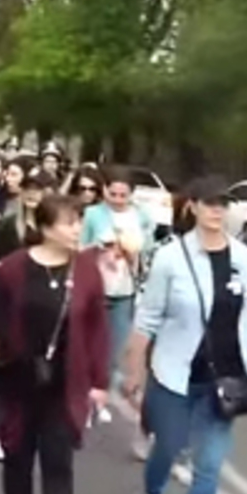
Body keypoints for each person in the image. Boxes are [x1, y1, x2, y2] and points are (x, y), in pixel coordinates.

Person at [122, 177, 247, 494]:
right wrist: (134, 371)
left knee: (210, 464)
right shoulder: (171, 258)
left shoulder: (246, 260)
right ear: (194, 208)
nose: (218, 211)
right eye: (210, 203)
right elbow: (147, 318)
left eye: (225, 204)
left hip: (225, 381)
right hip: (175, 373)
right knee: (168, 446)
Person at [0, 194, 109, 494]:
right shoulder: (13, 268)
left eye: (79, 221)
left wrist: (99, 381)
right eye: (68, 222)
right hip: (16, 378)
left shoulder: (88, 270)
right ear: (45, 228)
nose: (77, 229)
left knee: (58, 462)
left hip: (66, 381)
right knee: (17, 454)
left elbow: (97, 328)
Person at [81, 167, 154, 391]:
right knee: (89, 345)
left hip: (125, 290)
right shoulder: (93, 214)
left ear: (131, 194)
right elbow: (80, 247)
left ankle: (102, 390)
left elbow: (149, 247)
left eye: (123, 195)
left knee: (114, 349)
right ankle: (84, 387)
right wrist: (100, 246)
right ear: (104, 191)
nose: (118, 200)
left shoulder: (142, 216)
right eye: (113, 194)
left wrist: (134, 248)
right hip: (96, 288)